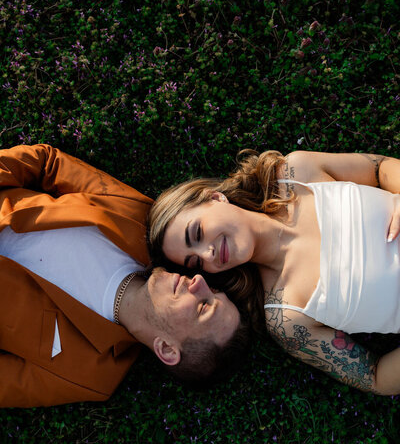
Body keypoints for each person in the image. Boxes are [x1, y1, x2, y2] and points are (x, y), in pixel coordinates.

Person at [0, 144, 248, 408]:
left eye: (202, 306)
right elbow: (47, 162)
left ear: (166, 349)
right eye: (213, 291)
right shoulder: (140, 219)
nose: (200, 282)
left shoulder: (89, 375)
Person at [148, 149, 400, 395]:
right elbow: (374, 377)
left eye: (198, 234)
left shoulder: (297, 171)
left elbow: (379, 168)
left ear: (215, 198)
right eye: (196, 263)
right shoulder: (287, 317)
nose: (207, 254)